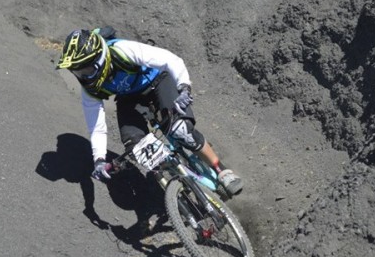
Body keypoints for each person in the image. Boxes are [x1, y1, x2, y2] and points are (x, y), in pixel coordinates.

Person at [56, 27, 243, 196]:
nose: (83, 76)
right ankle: (176, 190)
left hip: (157, 81)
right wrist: (98, 159)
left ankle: (221, 170)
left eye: (86, 69)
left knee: (180, 130)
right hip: (129, 98)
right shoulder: (90, 89)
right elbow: (97, 127)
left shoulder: (122, 50)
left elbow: (171, 60)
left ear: (100, 59)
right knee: (137, 148)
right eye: (78, 72)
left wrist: (184, 88)